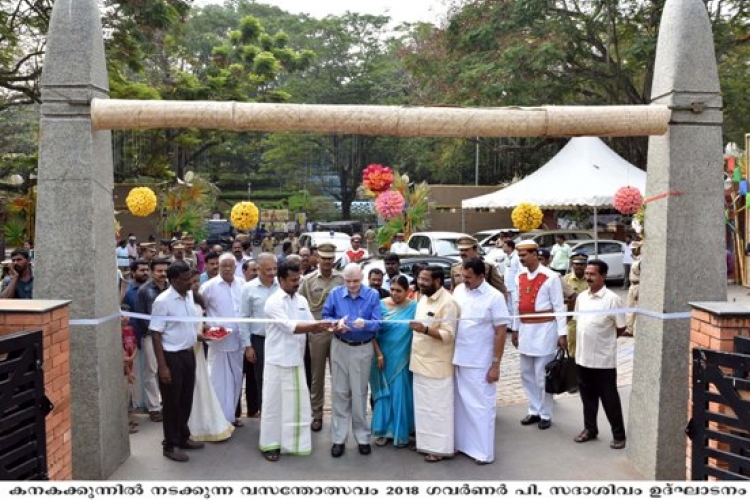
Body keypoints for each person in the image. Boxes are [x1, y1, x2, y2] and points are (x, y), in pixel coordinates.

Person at [260, 262, 333, 461]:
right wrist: (318, 326)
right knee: (273, 406)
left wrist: (331, 327)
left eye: (298, 279)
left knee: (296, 405)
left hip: (296, 360)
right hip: (277, 361)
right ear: (281, 280)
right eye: (293, 280)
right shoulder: (273, 301)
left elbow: (310, 322)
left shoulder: (300, 299)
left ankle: (293, 444)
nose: (297, 283)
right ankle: (270, 445)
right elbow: (290, 327)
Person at [452, 258, 509, 465]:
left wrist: (495, 364)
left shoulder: (494, 297)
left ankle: (483, 452)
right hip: (459, 358)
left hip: (481, 362)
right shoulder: (458, 291)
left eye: (468, 277)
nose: (464, 280)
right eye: (462, 276)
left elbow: (501, 332)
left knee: (481, 407)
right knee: (460, 406)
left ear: (481, 277)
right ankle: (462, 445)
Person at [322, 263, 381, 458]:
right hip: (340, 345)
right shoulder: (336, 293)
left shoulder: (372, 295)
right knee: (339, 392)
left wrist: (365, 324)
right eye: (348, 281)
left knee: (360, 393)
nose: (352, 285)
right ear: (343, 279)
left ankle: (362, 437)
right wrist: (336, 324)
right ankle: (338, 439)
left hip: (362, 347)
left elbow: (378, 323)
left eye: (356, 281)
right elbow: (326, 317)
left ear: (362, 277)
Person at [149, 261, 205, 462]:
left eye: (190, 278)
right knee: (172, 402)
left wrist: (199, 336)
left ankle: (183, 436)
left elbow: (187, 325)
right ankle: (170, 444)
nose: (190, 283)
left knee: (186, 399)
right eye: (185, 280)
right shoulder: (163, 301)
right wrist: (163, 366)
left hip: (189, 353)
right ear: (173, 281)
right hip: (171, 357)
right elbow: (156, 334)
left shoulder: (188, 295)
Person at [512, 240, 567, 430]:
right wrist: (515, 329)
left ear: (535, 254)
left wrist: (562, 333)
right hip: (526, 329)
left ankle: (545, 413)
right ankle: (533, 409)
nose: (521, 259)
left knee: (542, 374)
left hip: (545, 330)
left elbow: (559, 306)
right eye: (519, 256)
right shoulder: (518, 276)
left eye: (524, 255)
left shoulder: (551, 276)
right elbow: (516, 305)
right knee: (526, 373)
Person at [573, 259, 627, 450]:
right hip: (582, 358)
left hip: (603, 360)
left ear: (603, 276)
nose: (588, 277)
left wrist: (603, 340)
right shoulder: (582, 298)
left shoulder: (612, 299)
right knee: (587, 398)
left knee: (609, 399)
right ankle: (590, 429)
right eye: (587, 274)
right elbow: (578, 322)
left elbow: (621, 327)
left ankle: (619, 435)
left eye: (592, 274)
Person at [409, 265, 459, 462]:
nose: (421, 283)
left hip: (437, 366)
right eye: (420, 279)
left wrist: (425, 330)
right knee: (423, 409)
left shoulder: (448, 303)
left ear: (437, 282)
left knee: (438, 410)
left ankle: (440, 449)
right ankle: (426, 444)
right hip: (419, 362)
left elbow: (449, 335)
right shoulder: (422, 298)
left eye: (425, 280)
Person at [299, 243, 344, 432]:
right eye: (323, 258)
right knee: (317, 376)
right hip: (317, 332)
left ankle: (338, 414)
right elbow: (300, 305)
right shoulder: (308, 281)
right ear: (317, 258)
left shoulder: (341, 280)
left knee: (338, 376)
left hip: (337, 332)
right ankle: (316, 414)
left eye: (330, 258)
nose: (327, 262)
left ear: (334, 259)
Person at [187, 270, 234, 442]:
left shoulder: (197, 299)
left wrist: (207, 328)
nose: (195, 285)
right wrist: (200, 335)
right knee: (194, 385)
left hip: (198, 347)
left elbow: (198, 321)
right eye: (192, 282)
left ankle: (207, 421)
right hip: (189, 348)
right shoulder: (182, 302)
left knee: (202, 383)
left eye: (196, 281)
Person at [199, 253, 246, 428]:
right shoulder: (209, 286)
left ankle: (231, 417)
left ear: (235, 267)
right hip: (218, 341)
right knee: (218, 381)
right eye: (223, 265)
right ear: (218, 267)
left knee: (236, 380)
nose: (227, 268)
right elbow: (199, 310)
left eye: (230, 265)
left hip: (238, 341)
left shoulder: (242, 284)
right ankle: (217, 419)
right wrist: (206, 326)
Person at [370, 275, 416, 448]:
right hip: (382, 357)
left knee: (400, 394)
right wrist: (379, 354)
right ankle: (382, 431)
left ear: (408, 292)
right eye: (392, 290)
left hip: (402, 358)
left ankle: (398, 431)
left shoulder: (414, 307)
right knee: (383, 394)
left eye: (399, 291)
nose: (395, 294)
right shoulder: (380, 305)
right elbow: (372, 332)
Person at [239, 253, 279, 419]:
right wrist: (248, 345)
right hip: (259, 341)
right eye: (267, 269)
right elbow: (244, 317)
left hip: (279, 339)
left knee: (279, 378)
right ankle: (266, 415)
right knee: (262, 379)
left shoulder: (281, 285)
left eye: (274, 269)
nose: (272, 273)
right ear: (258, 270)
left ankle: (279, 415)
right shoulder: (248, 288)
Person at [135, 257, 171, 423]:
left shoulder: (172, 288)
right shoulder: (144, 290)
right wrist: (153, 332)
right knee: (152, 370)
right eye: (159, 271)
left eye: (165, 271)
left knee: (170, 369)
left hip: (171, 335)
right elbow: (141, 316)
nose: (163, 274)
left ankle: (168, 403)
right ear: (151, 272)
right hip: (151, 335)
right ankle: (154, 407)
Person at [563, 252, 589, 367]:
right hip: (571, 318)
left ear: (586, 265)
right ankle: (572, 367)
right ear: (572, 265)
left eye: (582, 264)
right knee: (571, 342)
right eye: (576, 264)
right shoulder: (566, 279)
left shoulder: (590, 278)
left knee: (587, 343)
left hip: (587, 317)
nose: (579, 267)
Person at [121, 307, 138, 434]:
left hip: (130, 365)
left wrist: (132, 357)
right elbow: (122, 357)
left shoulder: (131, 330)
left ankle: (127, 420)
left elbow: (136, 345)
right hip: (124, 369)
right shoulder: (118, 332)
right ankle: (124, 423)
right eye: (122, 315)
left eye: (127, 315)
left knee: (128, 395)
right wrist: (128, 372)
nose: (126, 318)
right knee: (124, 396)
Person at [503, 240, 521, 332]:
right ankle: (509, 325)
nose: (503, 248)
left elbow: (520, 271)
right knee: (509, 305)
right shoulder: (507, 257)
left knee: (515, 305)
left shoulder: (517, 257)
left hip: (515, 286)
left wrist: (518, 283)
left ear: (510, 247)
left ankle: (515, 325)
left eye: (504, 246)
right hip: (508, 285)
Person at [626, 241, 642, 336]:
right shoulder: (635, 259)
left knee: (636, 308)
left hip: (638, 285)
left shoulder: (641, 261)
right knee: (629, 308)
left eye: (633, 249)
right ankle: (629, 329)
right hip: (632, 285)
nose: (632, 251)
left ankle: (635, 330)